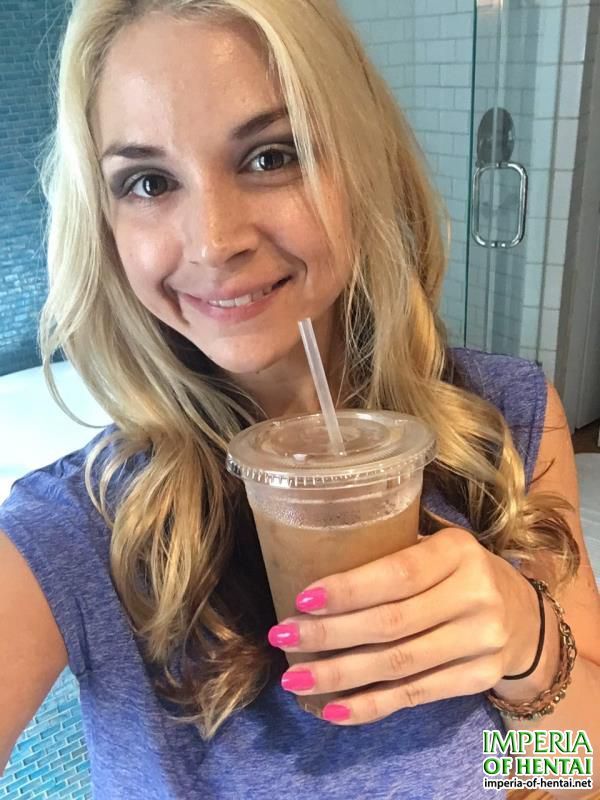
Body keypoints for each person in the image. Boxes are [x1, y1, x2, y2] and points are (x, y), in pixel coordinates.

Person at [0, 0, 598, 798]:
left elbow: (575, 775)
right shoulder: (76, 526)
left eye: (269, 156)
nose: (215, 241)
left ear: (362, 163)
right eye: (148, 182)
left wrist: (531, 652)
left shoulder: (507, 422)